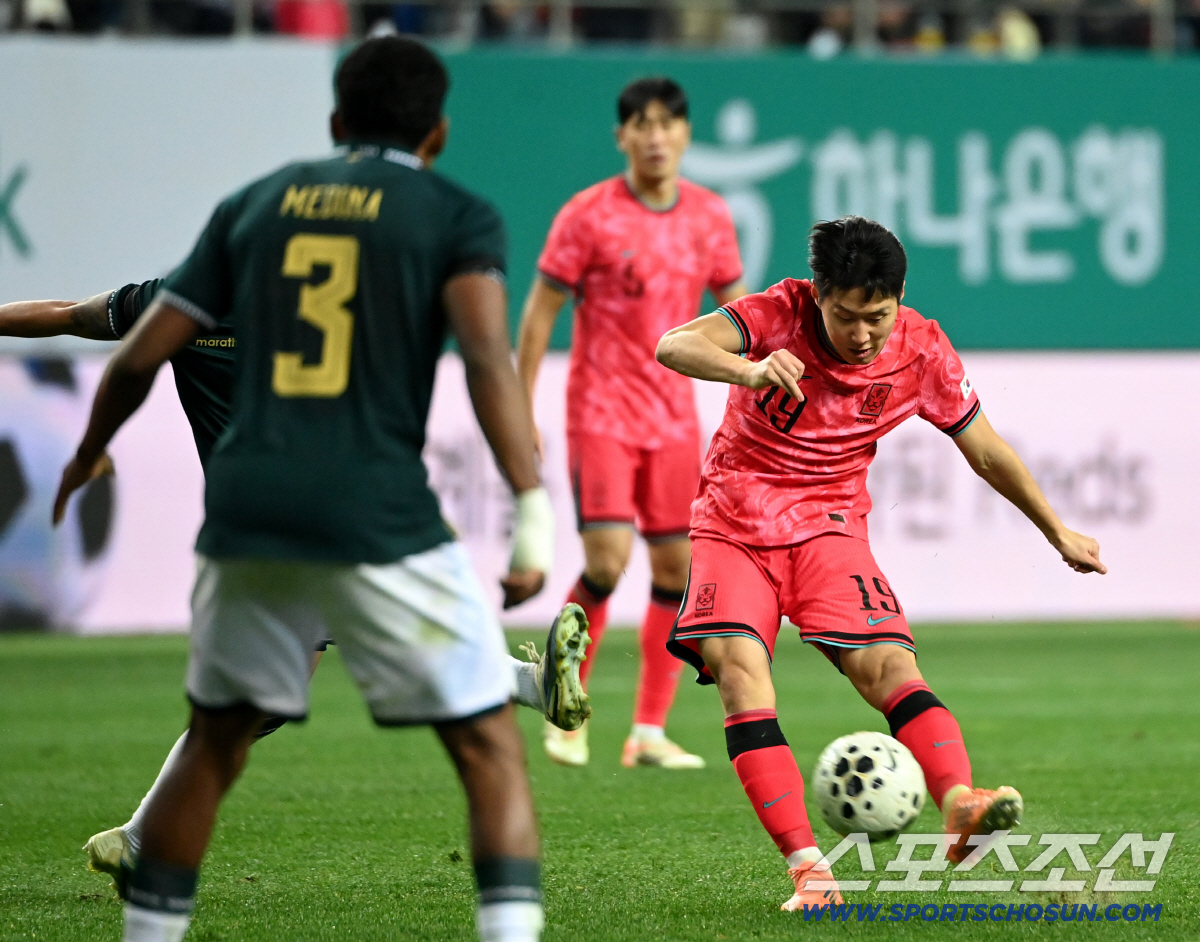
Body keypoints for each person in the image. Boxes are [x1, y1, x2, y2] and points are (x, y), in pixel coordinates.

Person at [48, 36, 573, 942]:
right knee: (486, 748)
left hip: (245, 513)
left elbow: (133, 354)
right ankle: (524, 699)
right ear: (439, 133)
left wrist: (88, 450)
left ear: (336, 122)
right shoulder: (454, 212)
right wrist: (531, 513)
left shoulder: (252, 208)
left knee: (215, 745)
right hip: (370, 504)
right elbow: (487, 358)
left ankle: (147, 912)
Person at [1, 250, 590, 896]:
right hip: (302, 519)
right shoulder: (307, 310)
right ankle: (532, 687)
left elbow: (68, 317)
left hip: (263, 525)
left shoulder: (173, 300)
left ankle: (139, 840)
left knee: (264, 698)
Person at [654, 216, 1107, 912]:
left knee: (889, 668)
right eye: (845, 316)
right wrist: (749, 368)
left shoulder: (921, 350)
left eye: (878, 316)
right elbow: (674, 343)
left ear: (900, 300)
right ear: (817, 295)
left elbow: (984, 450)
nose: (863, 334)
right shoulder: (776, 314)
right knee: (742, 674)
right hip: (733, 524)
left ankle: (960, 802)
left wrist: (1056, 530)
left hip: (830, 529)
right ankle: (809, 869)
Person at [516, 76, 745, 769]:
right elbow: (538, 315)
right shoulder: (586, 215)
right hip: (602, 414)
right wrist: (522, 406)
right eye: (640, 125)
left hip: (675, 419)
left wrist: (758, 390)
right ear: (621, 136)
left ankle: (647, 730)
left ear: (685, 134)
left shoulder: (710, 216)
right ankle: (565, 706)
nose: (654, 136)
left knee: (677, 568)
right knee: (606, 564)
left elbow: (743, 316)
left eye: (667, 123)